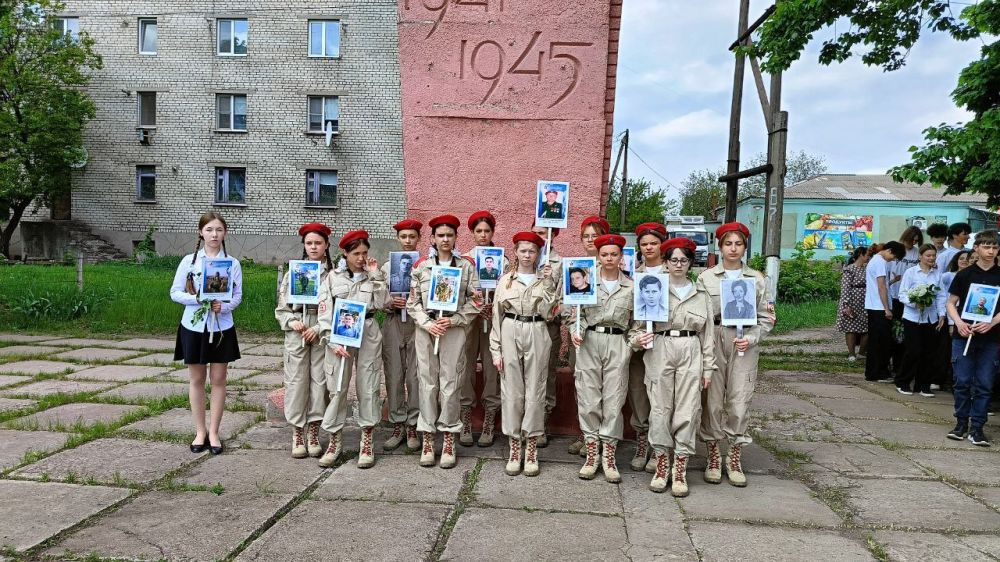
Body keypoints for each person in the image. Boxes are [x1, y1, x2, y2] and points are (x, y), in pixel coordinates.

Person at [634, 237, 716, 496]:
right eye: (673, 260)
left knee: (688, 408)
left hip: (691, 349)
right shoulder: (652, 287)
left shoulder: (701, 294)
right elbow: (637, 327)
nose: (678, 264)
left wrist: (708, 367)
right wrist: (638, 339)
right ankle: (661, 463)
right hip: (660, 347)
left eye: (683, 260)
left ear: (691, 262)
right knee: (659, 407)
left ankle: (680, 467)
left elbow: (709, 334)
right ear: (665, 262)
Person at [698, 222, 774, 488]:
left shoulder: (757, 279)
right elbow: (700, 316)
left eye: (738, 244)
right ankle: (713, 455)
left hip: (743, 343)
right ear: (720, 247)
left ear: (744, 247)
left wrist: (752, 338)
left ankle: (734, 455)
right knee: (713, 400)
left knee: (740, 399)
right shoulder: (706, 278)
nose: (733, 249)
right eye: (728, 244)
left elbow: (767, 317)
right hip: (715, 338)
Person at [407, 214, 480, 468]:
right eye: (441, 235)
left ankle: (449, 437)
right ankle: (428, 438)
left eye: (450, 235)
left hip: (452, 329)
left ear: (456, 238)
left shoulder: (466, 266)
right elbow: (412, 302)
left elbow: (476, 300)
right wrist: (427, 323)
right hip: (427, 330)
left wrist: (457, 319)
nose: (445, 239)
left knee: (451, 382)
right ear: (433, 239)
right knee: (427, 382)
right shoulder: (421, 267)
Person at [170, 211, 242, 456]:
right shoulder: (189, 262)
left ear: (225, 233)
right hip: (194, 327)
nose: (214, 234)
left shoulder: (231, 263)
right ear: (201, 232)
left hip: (221, 327)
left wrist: (225, 306)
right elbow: (175, 292)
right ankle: (200, 431)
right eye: (209, 229)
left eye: (219, 230)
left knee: (219, 380)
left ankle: (214, 432)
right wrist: (196, 299)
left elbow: (237, 295)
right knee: (197, 380)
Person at [316, 230, 389, 469]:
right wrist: (331, 340)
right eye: (356, 253)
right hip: (342, 333)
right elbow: (325, 311)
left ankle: (366, 440)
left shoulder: (372, 277)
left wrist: (376, 275)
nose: (361, 258)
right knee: (337, 386)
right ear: (344, 253)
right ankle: (334, 440)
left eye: (364, 253)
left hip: (368, 329)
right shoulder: (332, 278)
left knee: (368, 385)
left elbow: (383, 303)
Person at [490, 231, 557, 476]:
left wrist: (550, 284)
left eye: (532, 251)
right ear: (516, 252)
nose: (527, 255)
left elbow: (551, 314)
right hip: (510, 329)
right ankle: (514, 446)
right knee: (511, 390)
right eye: (523, 250)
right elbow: (496, 317)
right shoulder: (506, 280)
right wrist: (496, 350)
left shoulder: (544, 280)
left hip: (537, 329)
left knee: (536, 390)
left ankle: (531, 447)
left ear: (538, 254)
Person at [571, 233, 633, 483]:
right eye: (604, 254)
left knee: (614, 398)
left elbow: (637, 322)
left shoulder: (631, 287)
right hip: (589, 341)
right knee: (588, 397)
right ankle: (591, 453)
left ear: (621, 257)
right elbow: (573, 312)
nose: (609, 258)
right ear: (598, 256)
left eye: (614, 254)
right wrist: (575, 328)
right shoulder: (584, 282)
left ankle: (609, 456)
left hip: (618, 341)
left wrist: (631, 344)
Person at [275, 222, 334, 459]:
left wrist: (319, 327)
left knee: (319, 383)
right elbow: (282, 309)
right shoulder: (293, 274)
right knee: (296, 382)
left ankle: (314, 431)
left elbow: (337, 308)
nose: (313, 247)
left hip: (320, 335)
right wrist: (292, 322)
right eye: (309, 243)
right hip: (297, 334)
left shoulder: (332, 276)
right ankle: (298, 432)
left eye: (318, 243)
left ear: (326, 245)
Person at [946, 230, 1000, 447]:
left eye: (995, 247)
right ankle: (961, 423)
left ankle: (977, 427)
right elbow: (951, 302)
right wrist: (959, 323)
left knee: (985, 383)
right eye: (986, 247)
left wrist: (992, 322)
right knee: (962, 381)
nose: (991, 251)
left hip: (991, 338)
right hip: (964, 335)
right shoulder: (964, 275)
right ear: (976, 249)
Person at [566, 215, 611, 457]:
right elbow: (566, 303)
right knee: (582, 387)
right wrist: (571, 320)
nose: (591, 240)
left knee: (607, 388)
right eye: (586, 236)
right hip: (581, 337)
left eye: (596, 235)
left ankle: (604, 437)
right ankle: (586, 434)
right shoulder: (576, 268)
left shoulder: (614, 267)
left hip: (606, 338)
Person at [460, 211, 503, 448]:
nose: (483, 235)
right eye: (479, 231)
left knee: (491, 368)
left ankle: (489, 419)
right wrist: (474, 305)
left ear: (493, 233)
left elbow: (507, 290)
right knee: (465, 367)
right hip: (469, 322)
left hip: (492, 322)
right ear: (472, 233)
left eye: (487, 231)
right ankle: (465, 417)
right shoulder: (465, 261)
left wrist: (493, 306)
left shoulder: (503, 259)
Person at [627, 222, 667, 473]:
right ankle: (642, 442)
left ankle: (658, 446)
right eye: (644, 244)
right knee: (638, 393)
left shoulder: (672, 273)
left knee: (661, 397)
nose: (649, 247)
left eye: (653, 243)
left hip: (663, 344)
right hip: (637, 343)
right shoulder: (633, 276)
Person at [382, 219, 423, 452]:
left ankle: (413, 425)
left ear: (419, 238)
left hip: (417, 324)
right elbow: (378, 297)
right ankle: (397, 422)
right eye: (404, 237)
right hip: (394, 322)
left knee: (415, 376)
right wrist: (391, 302)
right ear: (398, 238)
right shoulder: (388, 267)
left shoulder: (425, 265)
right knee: (394, 374)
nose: (408, 241)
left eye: (412, 237)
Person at [896, 243, 946, 396]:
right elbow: (902, 294)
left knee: (929, 352)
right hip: (912, 317)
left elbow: (941, 296)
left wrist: (941, 314)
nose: (931, 258)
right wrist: (914, 302)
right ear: (920, 256)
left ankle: (923, 384)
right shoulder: (911, 273)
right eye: (928, 255)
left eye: (933, 255)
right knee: (913, 350)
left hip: (930, 318)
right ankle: (903, 381)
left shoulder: (937, 274)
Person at [532, 222, 563, 448]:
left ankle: (542, 420)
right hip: (525, 325)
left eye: (543, 233)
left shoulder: (560, 263)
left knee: (547, 373)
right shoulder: (526, 257)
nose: (539, 238)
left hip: (548, 325)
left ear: (554, 234)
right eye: (535, 233)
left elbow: (563, 298)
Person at [863, 241, 906, 382]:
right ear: (889, 250)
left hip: (874, 305)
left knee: (877, 341)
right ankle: (877, 372)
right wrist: (887, 308)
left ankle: (874, 371)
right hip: (879, 307)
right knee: (881, 342)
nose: (893, 260)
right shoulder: (880, 262)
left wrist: (893, 281)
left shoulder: (875, 261)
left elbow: (882, 284)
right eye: (894, 257)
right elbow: (881, 286)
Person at [888, 226, 924, 376]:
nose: (914, 242)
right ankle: (895, 364)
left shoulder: (917, 253)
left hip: (911, 298)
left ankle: (905, 365)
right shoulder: (896, 250)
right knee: (896, 332)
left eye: (917, 240)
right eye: (912, 239)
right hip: (895, 296)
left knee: (908, 333)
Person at [836, 246, 870, 361]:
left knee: (867, 327)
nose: (869, 257)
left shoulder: (868, 268)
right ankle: (851, 354)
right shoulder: (849, 269)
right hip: (852, 301)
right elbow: (845, 288)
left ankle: (861, 352)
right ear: (861, 254)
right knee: (851, 328)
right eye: (867, 254)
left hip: (866, 301)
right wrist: (846, 305)